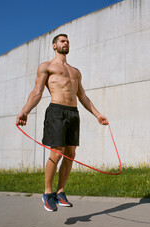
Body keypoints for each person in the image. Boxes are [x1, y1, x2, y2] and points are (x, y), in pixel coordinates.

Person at [16, 34, 108, 212]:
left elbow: (82, 96)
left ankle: (60, 192)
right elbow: (37, 91)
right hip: (56, 111)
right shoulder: (47, 66)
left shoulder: (75, 71)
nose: (65, 43)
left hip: (73, 113)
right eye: (62, 41)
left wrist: (97, 115)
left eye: (67, 41)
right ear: (54, 45)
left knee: (71, 153)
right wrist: (25, 111)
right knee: (57, 153)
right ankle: (47, 193)